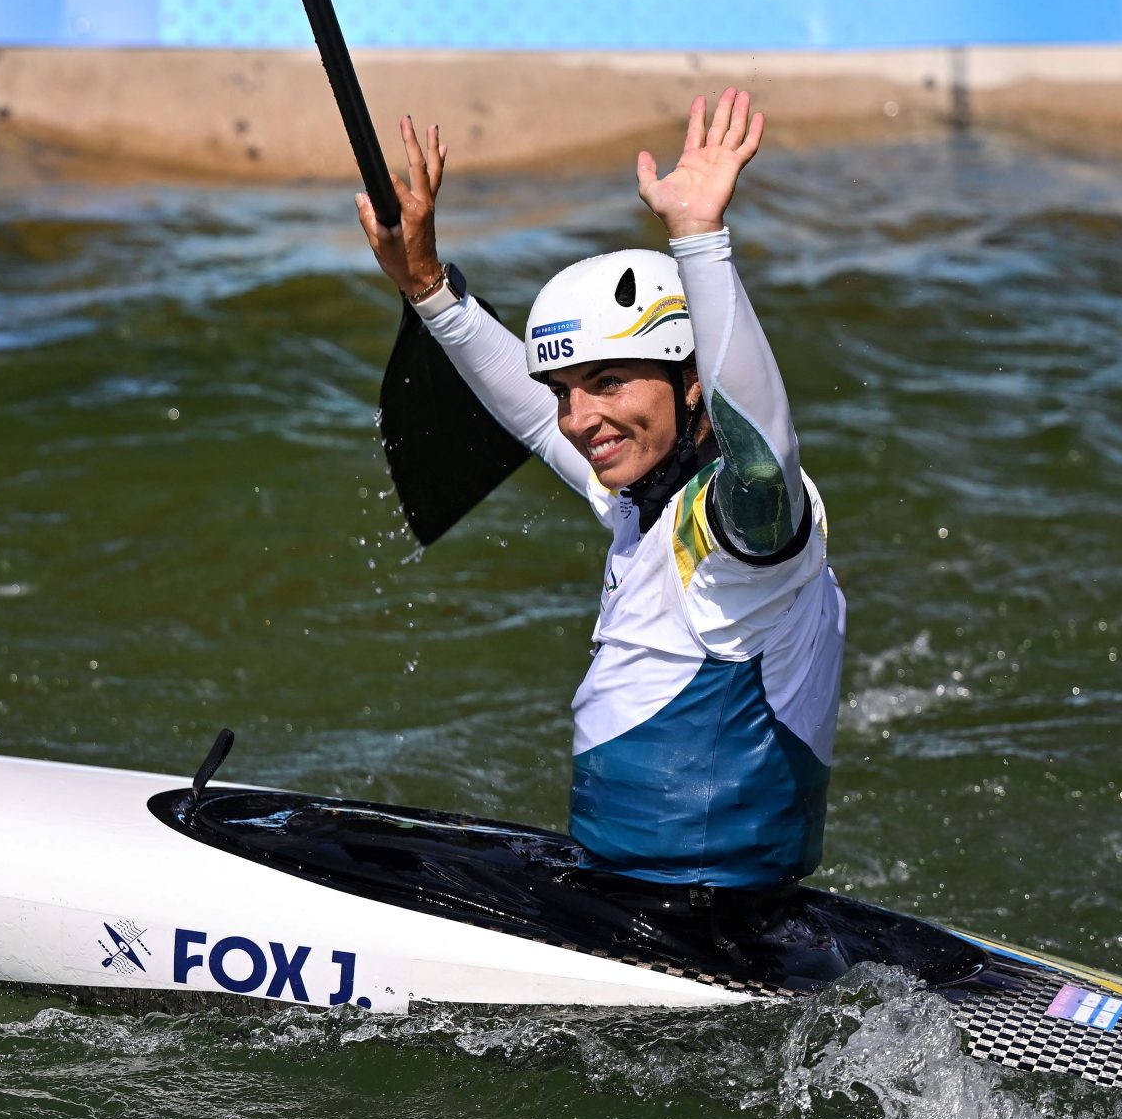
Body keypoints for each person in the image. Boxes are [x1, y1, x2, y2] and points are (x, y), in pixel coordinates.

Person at [357, 88, 842, 894]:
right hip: (626, 885)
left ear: (692, 382)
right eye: (567, 389)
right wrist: (430, 291)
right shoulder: (645, 496)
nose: (581, 419)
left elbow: (762, 455)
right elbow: (539, 424)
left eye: (609, 382)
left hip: (700, 913)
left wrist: (699, 239)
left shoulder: (742, 533)